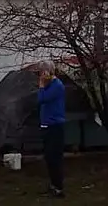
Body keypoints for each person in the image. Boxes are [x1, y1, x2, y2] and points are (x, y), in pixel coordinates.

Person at [37, 60, 66, 198]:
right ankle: (53, 184)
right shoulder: (49, 85)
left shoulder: (56, 86)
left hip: (55, 126)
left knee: (55, 157)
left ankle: (59, 187)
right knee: (49, 157)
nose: (41, 76)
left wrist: (42, 86)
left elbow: (42, 99)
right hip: (46, 124)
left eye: (42, 73)